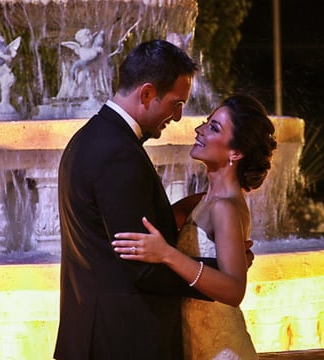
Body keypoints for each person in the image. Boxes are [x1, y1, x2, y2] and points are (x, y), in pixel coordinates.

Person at [55, 39, 219, 360]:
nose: (178, 115)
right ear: (146, 93)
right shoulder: (119, 154)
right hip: (124, 342)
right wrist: (219, 273)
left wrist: (183, 210)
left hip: (93, 338)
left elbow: (118, 231)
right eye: (175, 103)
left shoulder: (90, 137)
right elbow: (142, 269)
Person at [112, 94, 277, 360]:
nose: (199, 130)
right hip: (196, 345)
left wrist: (167, 254)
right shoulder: (201, 201)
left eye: (214, 128)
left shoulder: (225, 207)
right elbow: (158, 221)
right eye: (206, 122)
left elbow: (234, 290)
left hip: (221, 350)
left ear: (236, 152)